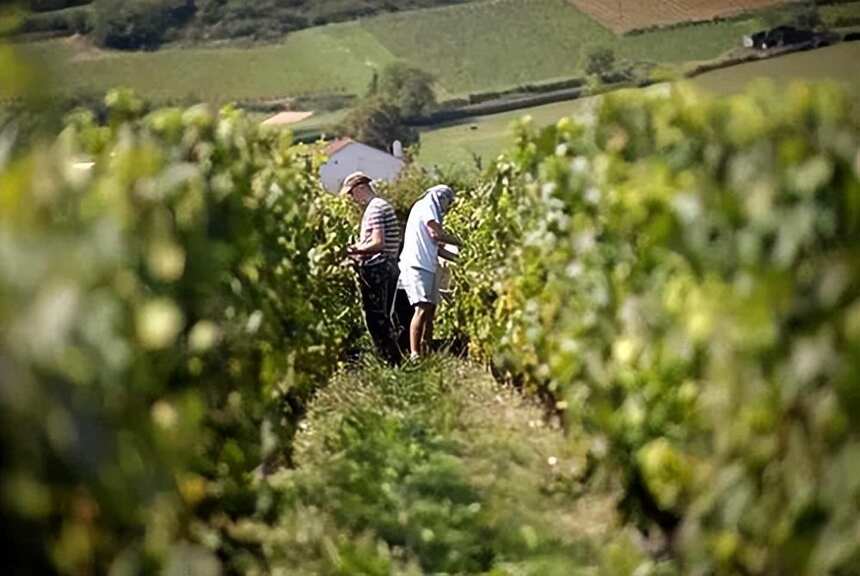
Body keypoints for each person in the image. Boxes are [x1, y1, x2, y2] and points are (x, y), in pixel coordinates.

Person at [340, 171, 402, 364]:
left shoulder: (375, 209)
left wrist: (351, 250)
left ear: (359, 188)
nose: (351, 198)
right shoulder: (380, 206)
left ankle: (390, 361)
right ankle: (392, 360)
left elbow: (377, 243)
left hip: (378, 268)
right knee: (382, 315)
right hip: (387, 265)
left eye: (351, 193)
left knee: (376, 318)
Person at [398, 184, 461, 359]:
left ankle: (427, 349)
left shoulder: (426, 208)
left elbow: (437, 248)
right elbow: (436, 235)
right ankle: (415, 354)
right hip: (417, 265)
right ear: (441, 198)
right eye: (447, 203)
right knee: (422, 308)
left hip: (427, 265)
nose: (446, 208)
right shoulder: (427, 206)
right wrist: (459, 242)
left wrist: (461, 260)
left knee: (431, 309)